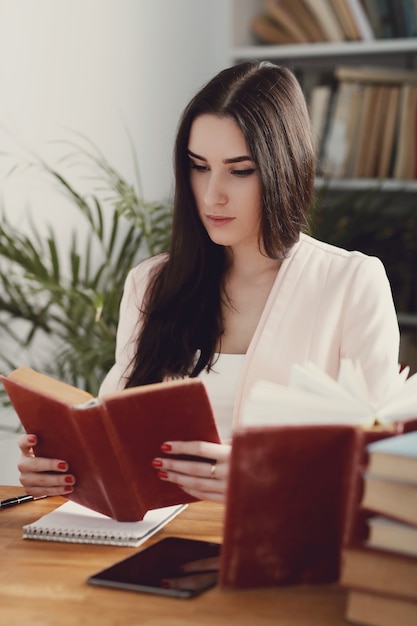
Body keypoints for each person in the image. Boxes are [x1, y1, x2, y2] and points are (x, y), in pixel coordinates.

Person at [18, 61, 401, 504]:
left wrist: (259, 477)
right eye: (199, 166)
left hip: (280, 553)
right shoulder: (151, 283)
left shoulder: (351, 283)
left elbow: (383, 466)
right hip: (155, 545)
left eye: (239, 171)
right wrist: (65, 468)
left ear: (285, 169)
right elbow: (113, 436)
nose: (212, 194)